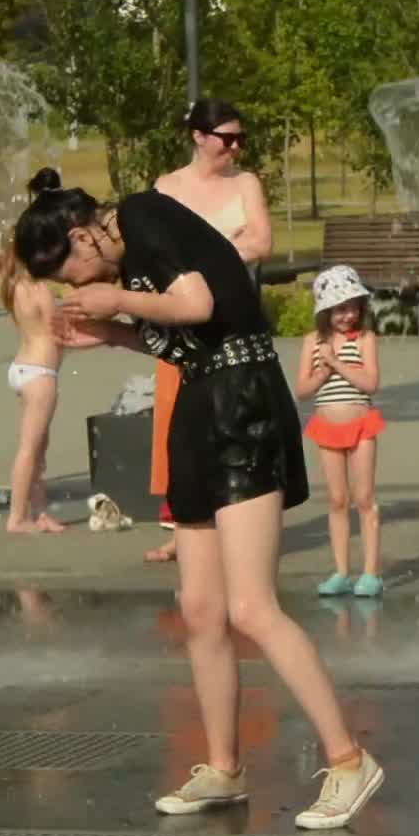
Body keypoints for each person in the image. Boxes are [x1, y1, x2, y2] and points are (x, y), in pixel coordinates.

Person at [17, 168, 384, 830]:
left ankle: (349, 759)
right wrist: (111, 332)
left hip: (244, 400)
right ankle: (223, 766)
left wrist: (113, 302)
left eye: (67, 272)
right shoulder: (130, 258)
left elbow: (196, 305)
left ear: (81, 234)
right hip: (197, 401)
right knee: (200, 607)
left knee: (251, 606)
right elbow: (178, 338)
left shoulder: (143, 215)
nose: (75, 286)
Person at [142, 98, 276, 564]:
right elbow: (157, 254)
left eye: (241, 139)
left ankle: (233, 520)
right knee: (179, 427)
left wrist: (203, 261)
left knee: (232, 425)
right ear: (198, 137)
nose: (235, 148)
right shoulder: (167, 188)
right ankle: (184, 525)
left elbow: (261, 241)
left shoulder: (246, 183)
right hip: (182, 324)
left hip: (234, 325)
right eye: (227, 139)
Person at [295, 265, 386, 597]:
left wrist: (336, 364)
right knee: (337, 500)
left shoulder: (364, 339)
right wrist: (322, 372)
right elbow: (302, 390)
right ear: (325, 311)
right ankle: (341, 571)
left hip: (361, 426)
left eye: (353, 307)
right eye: (340, 309)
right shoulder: (313, 341)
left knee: (364, 498)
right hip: (327, 428)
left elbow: (370, 383)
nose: (348, 315)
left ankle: (371, 572)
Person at [0, 243, 67, 534]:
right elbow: (58, 330)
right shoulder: (40, 290)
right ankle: (17, 517)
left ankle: (41, 512)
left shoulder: (12, 285)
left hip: (22, 367)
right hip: (40, 373)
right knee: (29, 449)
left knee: (38, 448)